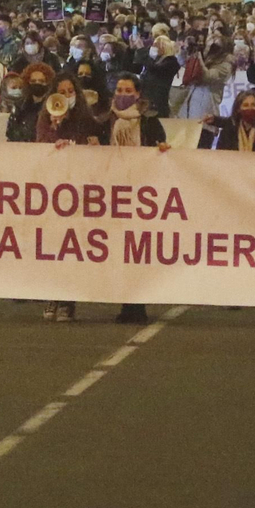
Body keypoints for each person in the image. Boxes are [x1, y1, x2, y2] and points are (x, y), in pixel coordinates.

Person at [102, 74, 170, 325]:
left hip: (141, 192)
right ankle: (124, 300)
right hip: (110, 191)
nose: (122, 94)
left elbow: (162, 147)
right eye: (119, 89)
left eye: (128, 90)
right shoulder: (104, 119)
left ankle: (136, 303)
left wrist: (163, 150)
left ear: (138, 94)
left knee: (137, 249)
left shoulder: (150, 122)